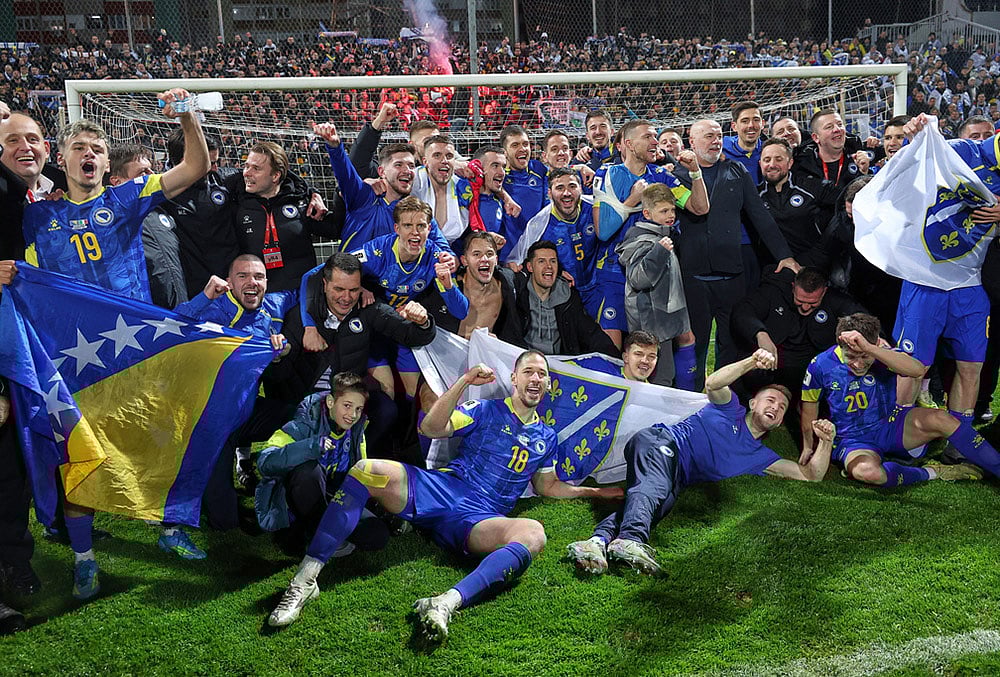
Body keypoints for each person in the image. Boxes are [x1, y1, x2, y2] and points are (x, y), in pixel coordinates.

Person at [4, 88, 210, 601]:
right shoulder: (36, 216)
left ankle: (168, 529)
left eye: (97, 148)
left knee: (161, 438)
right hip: (76, 360)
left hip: (136, 348)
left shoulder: (126, 198)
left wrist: (186, 114)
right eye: (80, 148)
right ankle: (84, 558)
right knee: (84, 457)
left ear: (105, 162)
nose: (90, 155)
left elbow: (194, 166)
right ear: (62, 157)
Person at [267, 351, 622, 637]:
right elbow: (431, 427)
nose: (535, 378)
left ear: (547, 385)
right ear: (514, 379)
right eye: (528, 371)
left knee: (533, 533)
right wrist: (464, 381)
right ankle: (305, 580)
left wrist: (596, 492)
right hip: (445, 488)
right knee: (366, 470)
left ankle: (445, 603)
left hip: (481, 516)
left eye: (542, 374)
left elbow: (548, 487)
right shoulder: (486, 409)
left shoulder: (548, 437)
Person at [565, 348, 838, 576]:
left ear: (779, 422)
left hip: (677, 474)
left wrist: (826, 442)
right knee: (656, 489)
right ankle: (632, 540)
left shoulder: (760, 456)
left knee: (656, 503)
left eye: (781, 408)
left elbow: (810, 475)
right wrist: (752, 362)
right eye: (770, 400)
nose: (775, 408)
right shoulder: (730, 407)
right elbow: (713, 383)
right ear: (753, 403)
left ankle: (596, 542)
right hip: (661, 443)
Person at [801, 313, 999, 487]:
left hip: (893, 424)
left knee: (944, 419)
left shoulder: (881, 354)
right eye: (851, 356)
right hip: (853, 440)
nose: (858, 364)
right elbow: (810, 407)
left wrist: (872, 349)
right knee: (867, 473)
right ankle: (933, 472)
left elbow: (916, 370)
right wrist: (808, 446)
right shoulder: (821, 365)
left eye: (863, 356)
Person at [673, 119, 798, 390]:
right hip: (693, 276)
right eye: (708, 136)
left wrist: (784, 255)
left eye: (719, 136)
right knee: (695, 345)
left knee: (731, 344)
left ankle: (728, 401)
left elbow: (760, 216)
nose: (716, 141)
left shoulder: (736, 170)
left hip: (732, 274)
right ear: (691, 142)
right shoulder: (676, 175)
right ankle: (691, 401)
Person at [175, 254, 297, 532]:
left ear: (267, 281)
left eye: (258, 276)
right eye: (242, 276)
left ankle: (283, 488)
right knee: (224, 522)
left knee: (298, 416)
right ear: (228, 282)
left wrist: (286, 347)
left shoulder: (274, 304)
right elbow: (175, 327)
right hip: (210, 422)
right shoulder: (214, 309)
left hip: (246, 412)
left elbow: (309, 284)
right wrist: (204, 296)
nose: (252, 282)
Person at [593, 119, 709, 348]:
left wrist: (695, 172)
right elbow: (603, 231)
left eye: (655, 136)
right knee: (614, 344)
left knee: (680, 339)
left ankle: (680, 385)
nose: (655, 142)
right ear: (628, 143)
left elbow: (700, 207)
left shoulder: (661, 176)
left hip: (658, 273)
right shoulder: (608, 173)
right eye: (647, 137)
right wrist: (632, 201)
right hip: (617, 273)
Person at [254, 372, 389, 554]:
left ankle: (326, 534)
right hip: (297, 501)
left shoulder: (357, 430)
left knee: (377, 535)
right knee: (308, 471)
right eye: (347, 406)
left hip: (334, 496)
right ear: (331, 402)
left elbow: (359, 472)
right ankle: (316, 534)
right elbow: (265, 462)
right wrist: (310, 447)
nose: (352, 415)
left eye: (358, 409)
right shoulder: (304, 422)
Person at [731, 266, 868, 408]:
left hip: (810, 366)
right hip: (774, 360)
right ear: (793, 287)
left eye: (812, 303)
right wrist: (760, 333)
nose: (805, 308)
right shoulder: (773, 292)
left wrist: (876, 339)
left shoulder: (836, 300)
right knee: (751, 372)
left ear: (824, 292)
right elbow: (743, 311)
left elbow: (862, 318)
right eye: (800, 301)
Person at [312, 121, 452, 255]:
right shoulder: (363, 196)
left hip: (393, 279)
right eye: (398, 165)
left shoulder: (417, 209)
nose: (407, 170)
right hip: (353, 276)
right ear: (381, 172)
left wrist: (448, 258)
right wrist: (335, 147)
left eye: (411, 166)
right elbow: (345, 174)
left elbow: (443, 248)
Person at [616, 183, 697, 388]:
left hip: (662, 321)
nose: (670, 215)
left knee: (665, 376)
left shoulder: (662, 236)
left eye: (672, 209)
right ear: (647, 213)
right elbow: (637, 279)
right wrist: (659, 253)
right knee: (658, 379)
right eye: (663, 211)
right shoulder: (642, 240)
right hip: (650, 324)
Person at [235, 141, 337, 292]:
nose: (247, 173)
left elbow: (335, 229)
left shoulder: (301, 201)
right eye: (246, 166)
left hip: (300, 292)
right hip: (258, 296)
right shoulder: (235, 201)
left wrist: (341, 193)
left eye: (256, 168)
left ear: (276, 176)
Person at [107, 144, 186, 309]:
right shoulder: (109, 221)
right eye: (143, 173)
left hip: (178, 310)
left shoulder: (163, 210)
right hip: (143, 315)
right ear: (117, 182)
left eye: (151, 170)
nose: (151, 176)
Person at [514, 240, 619, 357]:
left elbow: (592, 334)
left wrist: (615, 361)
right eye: (541, 261)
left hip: (558, 367)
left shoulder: (569, 297)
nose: (548, 266)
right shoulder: (517, 292)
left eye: (553, 261)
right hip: (523, 362)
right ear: (530, 267)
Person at [424, 230, 524, 345]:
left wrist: (498, 343)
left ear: (496, 260)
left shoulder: (506, 284)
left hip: (484, 356)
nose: (484, 259)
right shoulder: (447, 285)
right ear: (464, 260)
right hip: (443, 354)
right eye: (477, 254)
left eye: (489, 254)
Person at [499, 125, 548, 263]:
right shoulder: (499, 176)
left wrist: (580, 166)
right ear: (505, 153)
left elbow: (560, 170)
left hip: (538, 252)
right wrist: (505, 196)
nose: (522, 149)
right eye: (515, 145)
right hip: (509, 255)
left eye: (525, 144)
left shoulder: (538, 169)